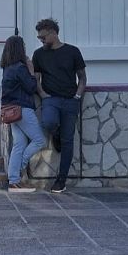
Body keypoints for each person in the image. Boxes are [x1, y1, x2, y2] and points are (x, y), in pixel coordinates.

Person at [32, 18, 86, 194]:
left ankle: (61, 180)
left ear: (53, 33)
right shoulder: (39, 54)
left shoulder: (72, 51)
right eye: (39, 38)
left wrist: (78, 95)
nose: (41, 40)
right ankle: (56, 133)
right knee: (48, 122)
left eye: (43, 37)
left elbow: (82, 77)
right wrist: (42, 94)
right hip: (51, 99)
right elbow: (36, 78)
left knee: (68, 141)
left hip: (70, 100)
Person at [0, 35, 43, 192]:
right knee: (39, 140)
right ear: (20, 49)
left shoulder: (7, 68)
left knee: (19, 144)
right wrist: (31, 71)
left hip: (11, 111)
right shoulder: (20, 67)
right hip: (23, 109)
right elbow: (31, 87)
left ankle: (13, 181)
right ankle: (18, 170)